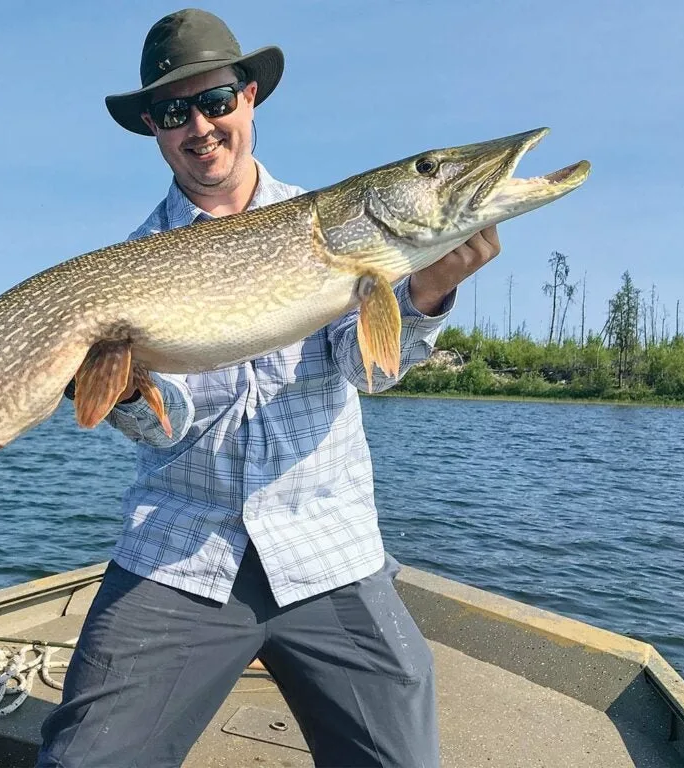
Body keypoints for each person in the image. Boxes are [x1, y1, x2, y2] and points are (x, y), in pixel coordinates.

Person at [39, 9, 500, 767]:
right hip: (182, 549)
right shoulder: (130, 264)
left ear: (249, 97)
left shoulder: (329, 223)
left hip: (327, 546)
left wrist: (423, 297)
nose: (200, 126)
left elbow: (367, 371)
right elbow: (167, 425)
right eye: (173, 111)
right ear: (153, 128)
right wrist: (121, 392)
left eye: (216, 101)